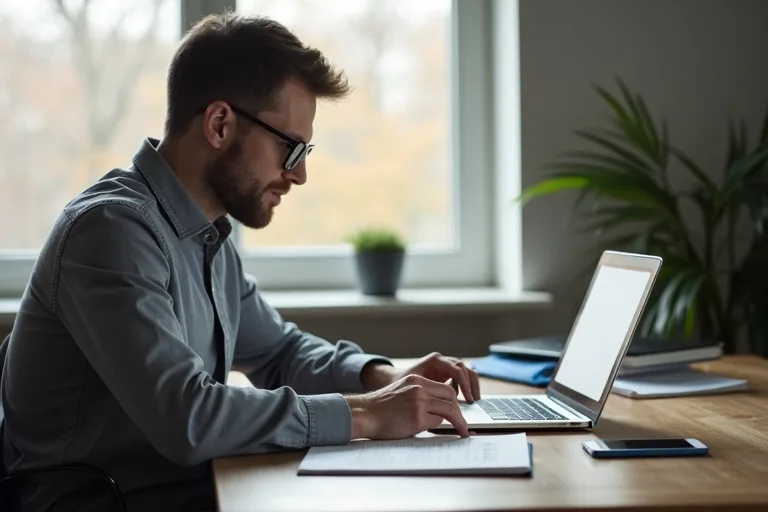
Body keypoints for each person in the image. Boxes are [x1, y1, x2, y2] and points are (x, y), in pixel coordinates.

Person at [0, 12, 481, 512]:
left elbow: (278, 353)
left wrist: (380, 378)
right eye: (290, 148)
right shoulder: (111, 232)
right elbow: (188, 418)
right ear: (219, 124)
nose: (300, 176)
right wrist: (367, 415)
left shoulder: (205, 235)